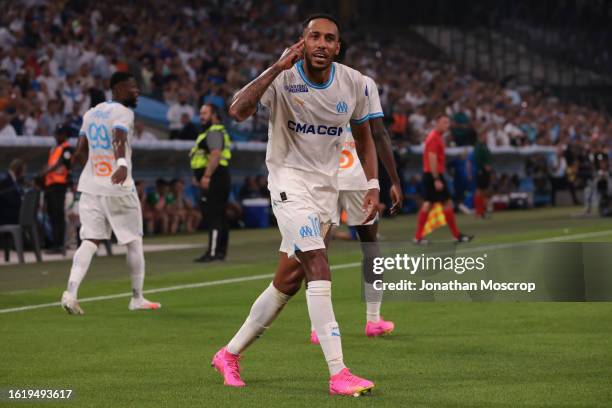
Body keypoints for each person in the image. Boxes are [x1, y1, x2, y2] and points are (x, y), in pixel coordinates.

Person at [212, 14, 378, 396]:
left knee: (287, 281)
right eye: (314, 37)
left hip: (325, 190)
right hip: (288, 183)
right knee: (318, 263)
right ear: (301, 42)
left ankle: (229, 353)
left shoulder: (353, 83)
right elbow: (237, 110)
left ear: (338, 47)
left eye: (329, 39)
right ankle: (339, 372)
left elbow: (365, 137)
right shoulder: (283, 77)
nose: (321, 43)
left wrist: (372, 183)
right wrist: (275, 66)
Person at [308, 75, 402, 343]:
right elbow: (378, 133)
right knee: (371, 247)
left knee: (317, 251)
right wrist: (393, 180)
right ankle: (373, 320)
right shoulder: (364, 83)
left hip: (323, 177)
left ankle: (318, 328)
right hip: (359, 178)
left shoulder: (312, 81)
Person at [60, 71, 160, 314]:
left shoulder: (91, 113)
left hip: (90, 186)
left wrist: (91, 172)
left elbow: (80, 151)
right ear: (116, 89)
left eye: (137, 87)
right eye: (131, 87)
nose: (136, 91)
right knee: (134, 241)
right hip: (117, 186)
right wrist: (121, 166)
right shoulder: (123, 112)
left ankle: (70, 293)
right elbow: (119, 137)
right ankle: (137, 298)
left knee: (89, 241)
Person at [413, 115, 473, 244]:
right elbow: (432, 158)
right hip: (433, 175)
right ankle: (456, 235)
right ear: (437, 123)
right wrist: (436, 178)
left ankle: (419, 237)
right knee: (443, 203)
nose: (448, 125)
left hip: (432, 174)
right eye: (445, 122)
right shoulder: (434, 138)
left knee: (430, 204)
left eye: (448, 122)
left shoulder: (437, 137)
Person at [190, 103, 232, 262]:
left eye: (205, 113)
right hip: (219, 176)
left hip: (215, 177)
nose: (201, 116)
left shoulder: (214, 131)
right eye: (200, 113)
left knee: (214, 215)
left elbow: (215, 155)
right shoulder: (213, 132)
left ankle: (213, 252)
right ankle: (220, 252)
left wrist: (206, 176)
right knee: (220, 215)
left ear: (214, 115)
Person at [41, 125, 73, 253]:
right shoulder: (55, 148)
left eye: (60, 134)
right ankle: (54, 243)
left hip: (59, 185)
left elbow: (61, 163)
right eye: (56, 133)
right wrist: (44, 172)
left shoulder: (67, 148)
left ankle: (59, 245)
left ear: (65, 135)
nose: (57, 136)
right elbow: (50, 164)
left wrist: (46, 171)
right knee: (52, 215)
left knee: (58, 215)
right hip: (50, 185)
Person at [0, 158, 26, 225]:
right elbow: (10, 201)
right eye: (23, 171)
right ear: (18, 170)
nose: (24, 174)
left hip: (12, 213)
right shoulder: (5, 181)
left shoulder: (13, 181)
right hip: (7, 217)